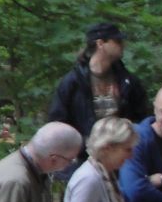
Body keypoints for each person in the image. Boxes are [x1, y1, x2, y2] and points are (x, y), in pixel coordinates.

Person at [46, 22, 148, 150]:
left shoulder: (128, 81)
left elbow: (141, 118)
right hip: (84, 156)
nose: (122, 45)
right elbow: (58, 122)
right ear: (100, 43)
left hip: (121, 155)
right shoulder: (72, 82)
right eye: (117, 41)